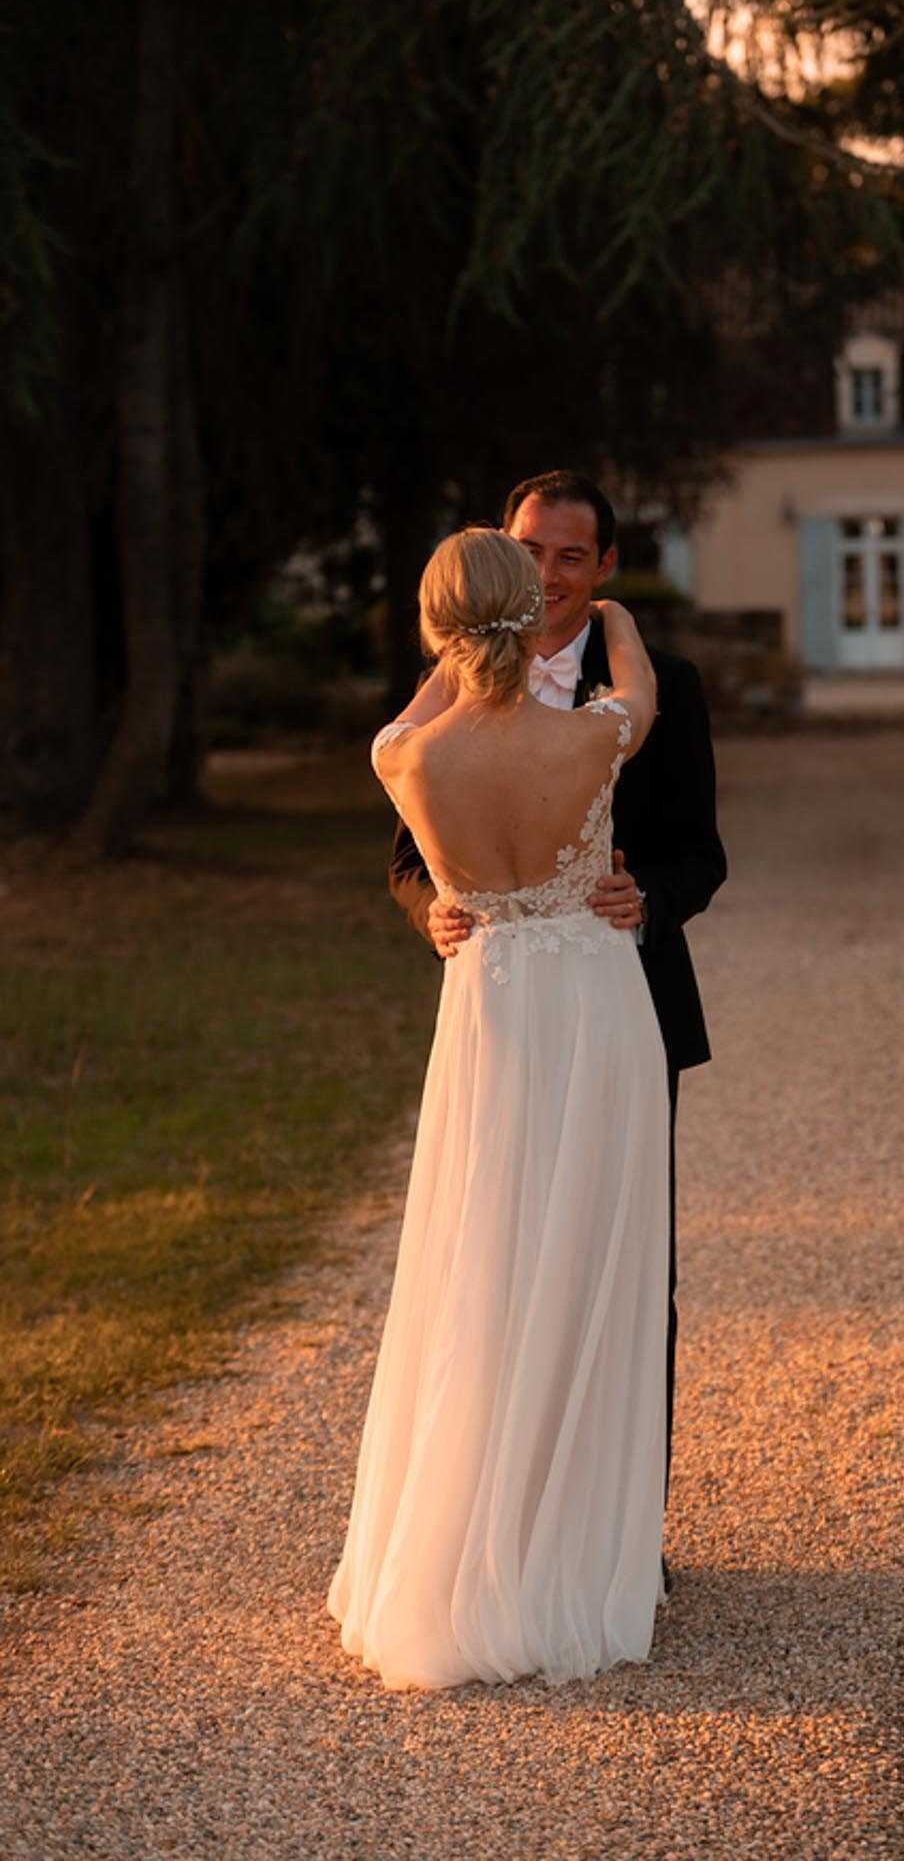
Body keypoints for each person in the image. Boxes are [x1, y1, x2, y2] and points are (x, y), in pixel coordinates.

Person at [327, 527, 670, 1689]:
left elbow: (427, 698)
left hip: (490, 1012)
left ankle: (471, 1539)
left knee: (484, 1257)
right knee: (582, 1263)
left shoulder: (403, 757)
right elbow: (641, 692)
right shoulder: (592, 737)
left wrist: (460, 646)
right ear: (536, 619)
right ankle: (565, 1546)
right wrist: (612, 614)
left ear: (433, 631)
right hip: (595, 1004)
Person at [387, 471, 726, 1543]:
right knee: (493, 1256)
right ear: (506, 555)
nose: (548, 574)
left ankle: (623, 1532)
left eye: (571, 556)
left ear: (605, 566)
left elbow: (702, 852)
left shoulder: (664, 687)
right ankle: (509, 1519)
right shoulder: (588, 704)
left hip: (623, 996)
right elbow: (408, 862)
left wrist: (651, 896)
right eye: (527, 551)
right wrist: (431, 911)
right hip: (518, 994)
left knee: (623, 1267)